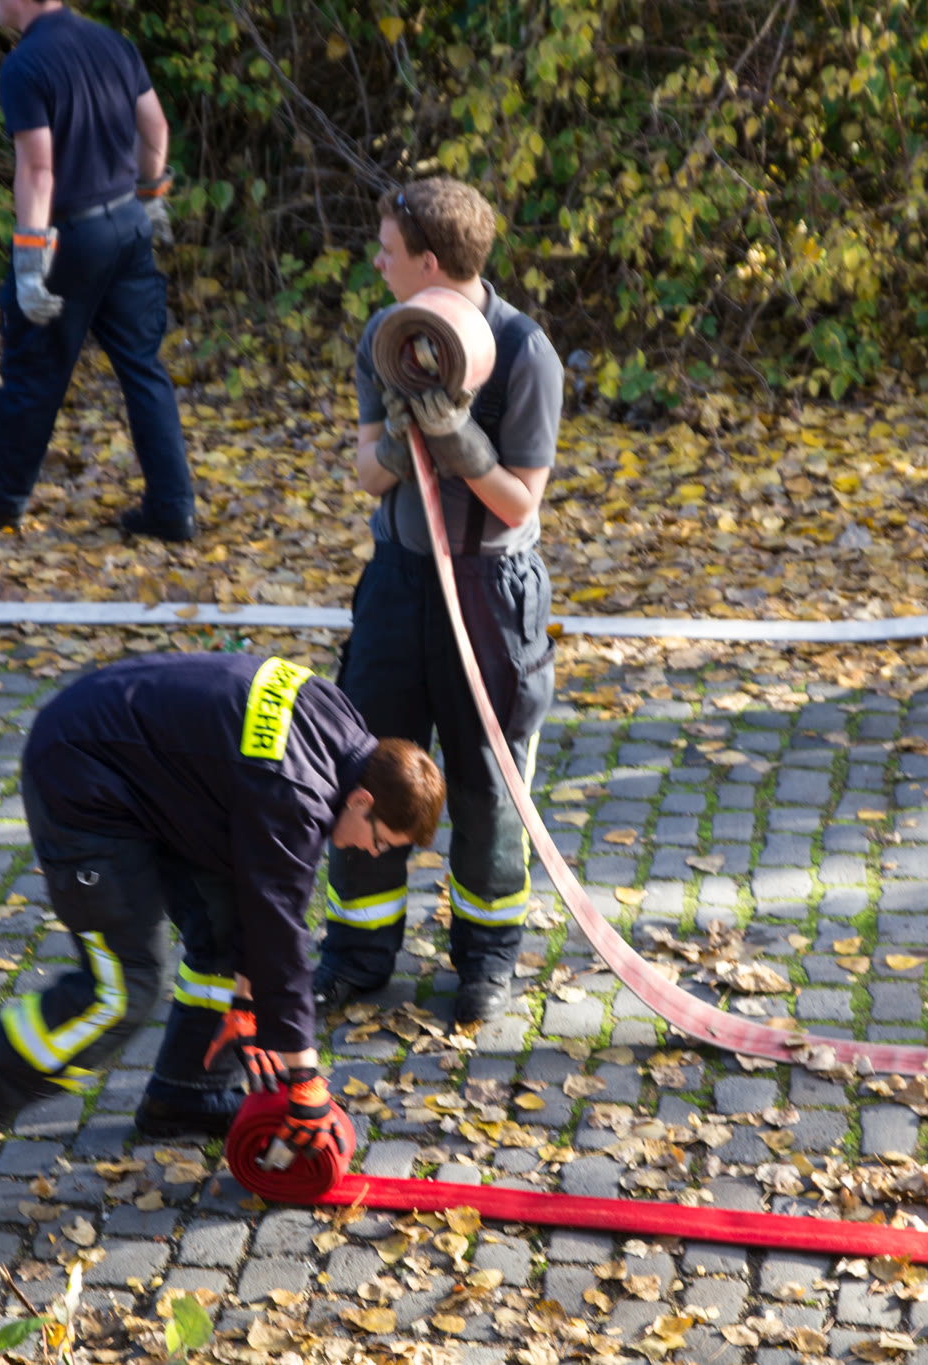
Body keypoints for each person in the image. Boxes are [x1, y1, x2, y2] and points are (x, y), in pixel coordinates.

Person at [0, 652, 445, 1190]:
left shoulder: (344, 731)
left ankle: (185, 1094)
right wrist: (306, 1081)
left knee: (222, 936)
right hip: (82, 778)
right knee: (119, 992)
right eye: (379, 841)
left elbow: (258, 907)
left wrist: (246, 1004)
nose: (371, 852)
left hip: (153, 775)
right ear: (361, 801)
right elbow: (280, 933)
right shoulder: (297, 796)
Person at [314, 177, 563, 1026]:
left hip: (490, 593)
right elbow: (366, 474)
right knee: (374, 764)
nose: (376, 262)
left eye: (388, 250)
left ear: (428, 262)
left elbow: (519, 503)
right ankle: (356, 954)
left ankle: (486, 958)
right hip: (398, 583)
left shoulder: (524, 353)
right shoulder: (384, 337)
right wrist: (396, 437)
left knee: (488, 780)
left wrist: (461, 441)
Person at [0, 0, 195, 541]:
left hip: (71, 238)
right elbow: (155, 127)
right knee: (143, 367)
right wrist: (149, 195)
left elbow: (38, 169)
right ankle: (173, 509)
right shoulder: (112, 43)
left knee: (33, 368)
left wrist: (30, 262)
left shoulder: (25, 65)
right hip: (127, 225)